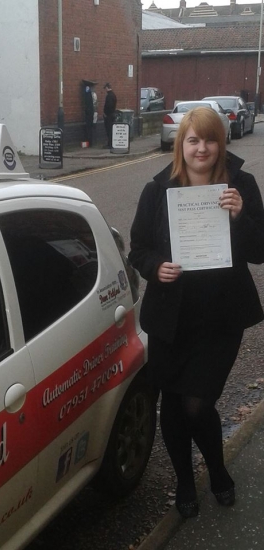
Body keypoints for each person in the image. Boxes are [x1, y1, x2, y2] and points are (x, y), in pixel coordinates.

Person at [129, 107, 264, 519]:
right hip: (172, 318)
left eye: (209, 140)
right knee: (171, 403)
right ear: (181, 145)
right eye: (193, 140)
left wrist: (241, 216)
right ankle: (186, 481)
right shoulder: (158, 189)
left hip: (220, 319)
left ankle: (218, 470)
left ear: (220, 144)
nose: (201, 148)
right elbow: (138, 248)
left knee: (196, 405)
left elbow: (260, 253)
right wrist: (155, 267)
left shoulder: (241, 185)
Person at [103, 82, 117, 148]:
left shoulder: (109, 96)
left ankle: (110, 144)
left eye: (105, 88)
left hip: (109, 116)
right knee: (111, 130)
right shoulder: (113, 95)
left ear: (107, 88)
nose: (105, 90)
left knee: (109, 130)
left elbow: (109, 106)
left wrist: (106, 113)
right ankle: (110, 143)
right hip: (112, 115)